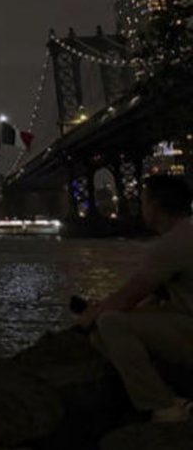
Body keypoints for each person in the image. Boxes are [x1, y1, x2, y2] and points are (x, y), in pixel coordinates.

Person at [77, 174, 193, 422]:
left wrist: (89, 316)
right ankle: (169, 389)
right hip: (184, 321)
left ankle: (164, 406)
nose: (140, 208)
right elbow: (150, 296)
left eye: (143, 201)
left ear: (156, 206)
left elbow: (128, 297)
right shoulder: (186, 233)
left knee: (110, 322)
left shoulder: (172, 244)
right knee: (103, 331)